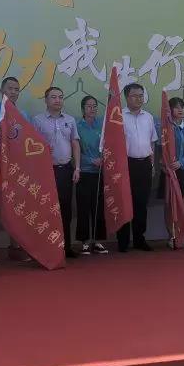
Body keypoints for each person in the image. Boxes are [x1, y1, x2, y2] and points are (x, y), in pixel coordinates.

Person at [0, 77, 30, 262]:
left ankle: (15, 247)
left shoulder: (23, 115)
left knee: (17, 210)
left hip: (16, 171)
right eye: (10, 88)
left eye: (17, 89)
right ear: (1, 91)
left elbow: (27, 142)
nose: (13, 92)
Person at [33, 86, 81, 259]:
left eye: (60, 97)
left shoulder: (70, 120)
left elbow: (75, 144)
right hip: (46, 171)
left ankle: (66, 247)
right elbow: (32, 146)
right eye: (53, 97)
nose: (57, 100)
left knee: (65, 210)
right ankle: (47, 248)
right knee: (47, 210)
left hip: (66, 169)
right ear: (46, 100)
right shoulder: (37, 120)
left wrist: (77, 168)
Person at [119, 83, 157, 252]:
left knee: (141, 203)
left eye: (141, 95)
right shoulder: (118, 116)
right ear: (127, 97)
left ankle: (139, 239)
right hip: (125, 165)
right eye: (135, 95)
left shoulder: (148, 117)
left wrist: (152, 164)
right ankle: (123, 240)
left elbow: (152, 142)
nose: (139, 99)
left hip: (144, 164)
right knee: (124, 202)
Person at [76, 96, 108, 254]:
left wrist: (104, 159)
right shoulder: (77, 126)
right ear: (83, 109)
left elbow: (109, 146)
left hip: (100, 172)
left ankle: (98, 240)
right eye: (89, 106)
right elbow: (74, 151)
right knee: (83, 207)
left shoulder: (102, 125)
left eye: (94, 106)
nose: (92, 109)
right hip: (84, 172)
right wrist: (90, 160)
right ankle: (84, 241)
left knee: (99, 207)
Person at [163, 97, 184, 249]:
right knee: (170, 204)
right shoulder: (166, 128)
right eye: (176, 107)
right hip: (170, 171)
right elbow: (161, 148)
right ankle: (172, 236)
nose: (180, 109)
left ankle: (183, 236)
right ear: (170, 110)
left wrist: (181, 162)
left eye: (182, 106)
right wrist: (166, 164)